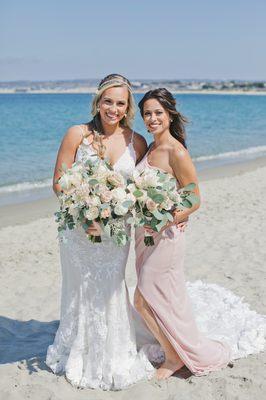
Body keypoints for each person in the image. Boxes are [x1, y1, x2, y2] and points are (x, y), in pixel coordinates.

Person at [45, 74, 155, 390]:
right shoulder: (76, 134)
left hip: (115, 232)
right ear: (98, 101)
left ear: (128, 106)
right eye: (108, 101)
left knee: (110, 285)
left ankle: (114, 350)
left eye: (120, 103)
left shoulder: (137, 142)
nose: (113, 109)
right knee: (79, 287)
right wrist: (83, 211)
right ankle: (77, 349)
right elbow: (58, 182)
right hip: (78, 231)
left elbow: (137, 190)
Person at [134, 88, 232, 380]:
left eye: (158, 113)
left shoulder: (176, 151)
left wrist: (166, 219)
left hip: (165, 237)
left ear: (170, 114)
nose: (152, 119)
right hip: (144, 235)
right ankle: (174, 347)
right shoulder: (150, 148)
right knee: (163, 298)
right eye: (147, 114)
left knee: (143, 298)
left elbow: (194, 198)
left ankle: (174, 356)